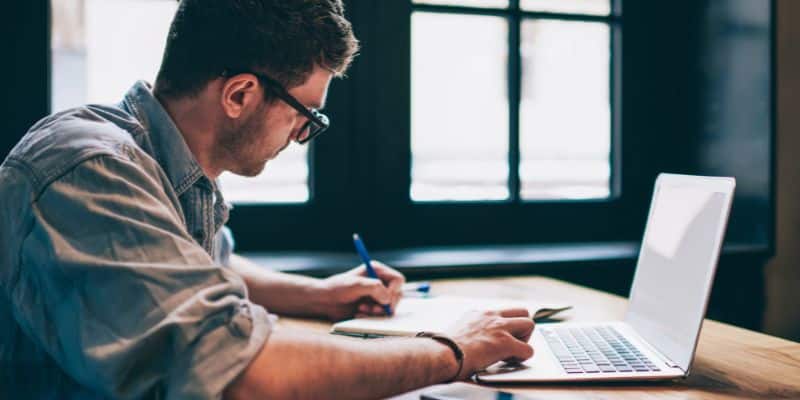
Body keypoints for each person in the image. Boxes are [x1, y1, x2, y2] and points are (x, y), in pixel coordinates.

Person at [0, 1, 535, 399]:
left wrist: (320, 296)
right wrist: (452, 349)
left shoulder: (162, 162)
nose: (304, 134)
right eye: (308, 115)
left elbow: (200, 268)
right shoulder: (91, 170)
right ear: (239, 95)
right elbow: (245, 372)